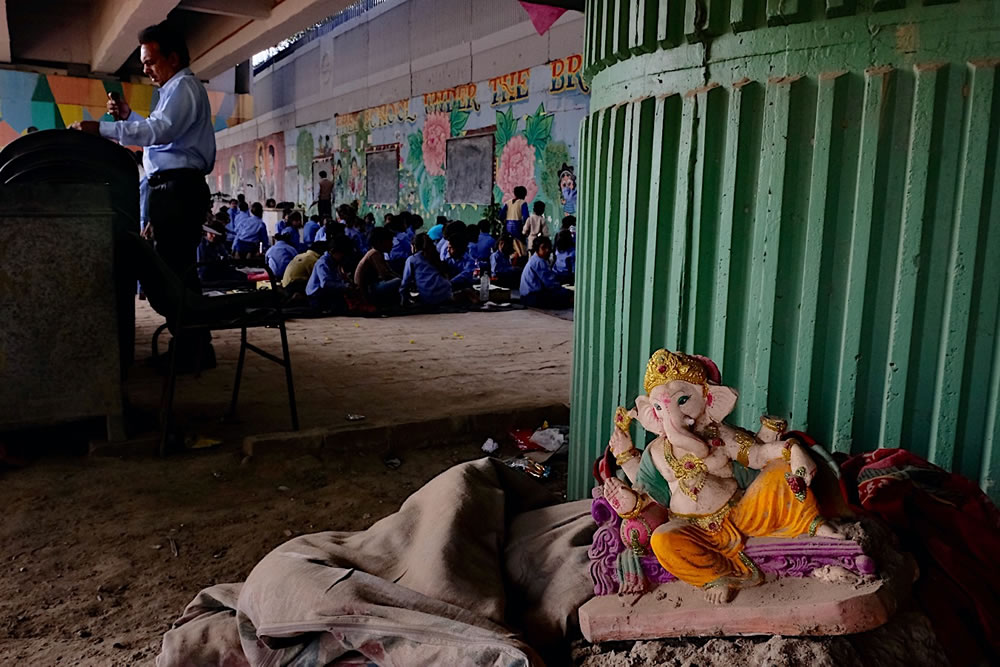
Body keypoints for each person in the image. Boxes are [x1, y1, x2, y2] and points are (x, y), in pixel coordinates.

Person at [71, 21, 217, 369]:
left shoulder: (184, 86)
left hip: (178, 189)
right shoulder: (172, 92)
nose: (146, 69)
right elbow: (165, 134)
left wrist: (104, 128)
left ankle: (193, 349)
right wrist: (128, 116)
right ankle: (195, 346)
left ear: (173, 57)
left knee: (173, 273)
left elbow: (160, 131)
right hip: (170, 188)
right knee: (175, 271)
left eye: (150, 61)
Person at [400, 233, 454, 307]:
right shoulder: (435, 256)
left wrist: (403, 300)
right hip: (446, 293)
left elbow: (405, 283)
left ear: (414, 246)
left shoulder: (412, 259)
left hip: (429, 297)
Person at [520, 236, 573, 309]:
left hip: (526, 296)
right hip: (531, 297)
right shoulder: (539, 261)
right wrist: (566, 292)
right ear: (537, 249)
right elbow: (550, 284)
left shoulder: (536, 259)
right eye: (543, 248)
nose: (547, 250)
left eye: (549, 247)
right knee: (561, 299)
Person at [354, 227, 401, 307]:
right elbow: (385, 275)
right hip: (367, 291)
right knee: (398, 281)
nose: (392, 244)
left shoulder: (378, 253)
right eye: (389, 241)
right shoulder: (374, 254)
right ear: (380, 242)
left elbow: (389, 271)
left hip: (371, 287)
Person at [306, 235, 354, 310]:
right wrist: (345, 286)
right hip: (316, 295)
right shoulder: (323, 263)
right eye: (342, 254)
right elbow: (325, 283)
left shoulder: (334, 262)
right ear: (333, 251)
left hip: (325, 293)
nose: (344, 257)